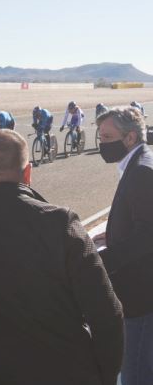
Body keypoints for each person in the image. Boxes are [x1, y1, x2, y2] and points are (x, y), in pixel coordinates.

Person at [0, 129, 123, 385]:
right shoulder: (61, 223)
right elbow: (108, 314)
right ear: (28, 173)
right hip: (74, 374)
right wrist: (106, 378)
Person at [93, 107, 153, 385]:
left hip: (141, 297)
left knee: (136, 374)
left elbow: (147, 235)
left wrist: (100, 262)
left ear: (129, 138)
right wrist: (114, 233)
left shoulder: (141, 171)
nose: (101, 143)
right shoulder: (138, 162)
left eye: (107, 137)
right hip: (140, 290)